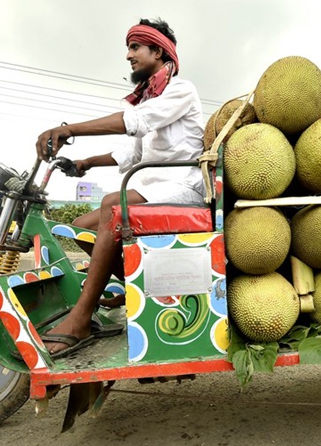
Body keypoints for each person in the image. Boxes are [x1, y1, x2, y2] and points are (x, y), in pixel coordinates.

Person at [34, 18, 205, 357]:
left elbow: (134, 123)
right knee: (76, 228)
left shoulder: (181, 90)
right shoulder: (145, 99)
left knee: (113, 205)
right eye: (129, 48)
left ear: (158, 51)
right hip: (153, 188)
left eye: (135, 47)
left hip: (184, 188)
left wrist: (70, 130)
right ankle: (132, 286)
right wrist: (85, 163)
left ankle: (80, 319)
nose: (129, 55)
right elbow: (131, 152)